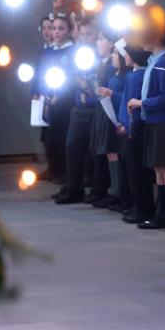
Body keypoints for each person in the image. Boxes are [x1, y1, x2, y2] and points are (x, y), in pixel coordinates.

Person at [128, 9, 165, 230]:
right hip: (154, 121)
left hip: (163, 122)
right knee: (158, 167)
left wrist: (142, 103)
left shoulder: (163, 61)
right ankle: (162, 214)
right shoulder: (155, 60)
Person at [55, 16, 105, 204]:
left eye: (88, 34)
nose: (85, 37)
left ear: (96, 34)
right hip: (79, 107)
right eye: (82, 34)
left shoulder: (102, 55)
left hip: (95, 109)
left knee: (95, 151)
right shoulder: (77, 54)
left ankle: (98, 189)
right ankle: (73, 188)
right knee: (72, 146)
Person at [117, 45, 155, 224]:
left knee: (136, 171)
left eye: (127, 53)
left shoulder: (136, 77)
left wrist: (126, 125)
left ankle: (142, 207)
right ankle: (138, 204)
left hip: (134, 129)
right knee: (135, 170)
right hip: (133, 127)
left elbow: (131, 106)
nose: (124, 56)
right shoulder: (136, 75)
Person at [93, 33, 128, 211]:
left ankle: (119, 192)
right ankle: (114, 190)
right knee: (110, 154)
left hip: (116, 119)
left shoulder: (124, 77)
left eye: (115, 53)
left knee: (115, 154)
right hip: (108, 115)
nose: (112, 56)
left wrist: (111, 94)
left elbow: (124, 98)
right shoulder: (114, 75)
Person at [48, 15, 76, 200]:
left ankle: (70, 180)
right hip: (53, 100)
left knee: (68, 142)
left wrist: (60, 94)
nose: (56, 32)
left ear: (69, 31)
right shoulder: (51, 51)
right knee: (56, 140)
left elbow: (72, 78)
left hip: (67, 103)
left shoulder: (71, 51)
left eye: (61, 28)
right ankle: (64, 178)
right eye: (54, 28)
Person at [32, 15, 56, 181]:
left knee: (54, 134)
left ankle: (57, 168)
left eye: (50, 28)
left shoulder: (56, 51)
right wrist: (35, 92)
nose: (47, 31)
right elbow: (38, 74)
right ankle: (51, 167)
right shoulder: (43, 50)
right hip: (41, 94)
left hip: (54, 96)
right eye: (44, 28)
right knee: (45, 134)